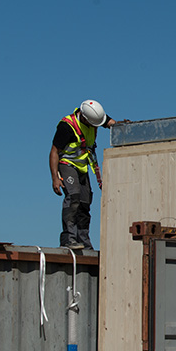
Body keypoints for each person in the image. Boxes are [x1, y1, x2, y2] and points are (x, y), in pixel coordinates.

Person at [50, 100, 122, 250]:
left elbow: (110, 123)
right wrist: (55, 178)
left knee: (85, 202)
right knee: (73, 196)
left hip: (82, 167)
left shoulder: (95, 116)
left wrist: (123, 127)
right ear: (83, 118)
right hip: (67, 165)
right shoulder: (67, 127)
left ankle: (83, 239)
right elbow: (54, 152)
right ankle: (68, 239)